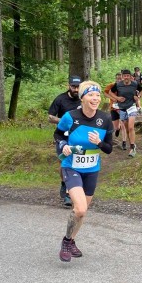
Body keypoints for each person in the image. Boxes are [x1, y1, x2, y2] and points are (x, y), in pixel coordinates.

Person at [54, 80, 113, 262]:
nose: (95, 98)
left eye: (97, 95)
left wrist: (99, 143)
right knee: (79, 209)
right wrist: (63, 144)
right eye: (91, 95)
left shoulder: (105, 119)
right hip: (71, 166)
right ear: (82, 98)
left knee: (82, 211)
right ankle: (66, 241)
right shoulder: (70, 117)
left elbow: (109, 148)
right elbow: (58, 134)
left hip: (92, 169)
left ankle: (71, 240)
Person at [48, 76, 82, 207]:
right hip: (63, 136)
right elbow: (50, 117)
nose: (75, 89)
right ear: (69, 86)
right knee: (65, 162)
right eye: (73, 86)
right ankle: (65, 185)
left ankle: (72, 190)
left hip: (79, 136)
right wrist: (65, 121)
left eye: (78, 87)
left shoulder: (83, 98)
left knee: (76, 162)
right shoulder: (60, 99)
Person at [108, 69, 142, 158]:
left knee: (131, 127)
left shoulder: (135, 84)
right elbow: (110, 92)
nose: (126, 77)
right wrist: (117, 98)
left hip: (132, 107)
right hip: (122, 108)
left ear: (130, 76)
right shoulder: (118, 85)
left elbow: (141, 90)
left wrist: (138, 97)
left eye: (128, 76)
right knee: (127, 129)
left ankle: (132, 148)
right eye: (124, 76)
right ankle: (132, 142)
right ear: (122, 77)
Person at [104, 72, 127, 149]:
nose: (118, 80)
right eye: (117, 79)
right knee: (116, 127)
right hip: (113, 108)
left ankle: (124, 142)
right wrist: (113, 98)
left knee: (123, 125)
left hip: (122, 108)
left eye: (120, 78)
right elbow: (105, 93)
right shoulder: (111, 85)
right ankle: (118, 129)